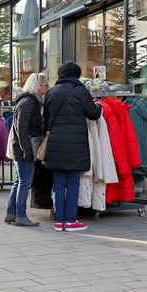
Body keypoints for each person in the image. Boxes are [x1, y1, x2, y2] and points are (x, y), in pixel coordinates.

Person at [44, 62, 102, 231]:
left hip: (55, 143)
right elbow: (93, 114)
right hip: (75, 145)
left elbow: (46, 120)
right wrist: (98, 105)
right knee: (73, 182)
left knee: (58, 182)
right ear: (77, 75)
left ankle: (58, 220)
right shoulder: (81, 91)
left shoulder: (51, 93)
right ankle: (70, 221)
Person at [5, 73, 49, 227]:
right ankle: (21, 216)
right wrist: (26, 150)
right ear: (37, 87)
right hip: (24, 148)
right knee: (25, 182)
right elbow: (21, 129)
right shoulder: (28, 102)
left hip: (21, 147)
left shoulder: (30, 101)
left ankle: (11, 213)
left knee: (19, 182)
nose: (47, 88)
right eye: (45, 85)